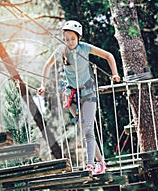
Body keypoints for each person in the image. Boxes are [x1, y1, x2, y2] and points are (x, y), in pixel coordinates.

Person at [37, 20, 120, 174]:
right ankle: (101, 162)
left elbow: (108, 55)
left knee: (88, 130)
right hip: (72, 96)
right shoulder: (61, 50)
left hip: (88, 93)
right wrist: (43, 84)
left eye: (72, 39)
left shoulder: (85, 48)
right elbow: (47, 66)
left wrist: (114, 73)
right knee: (85, 130)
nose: (69, 42)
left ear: (79, 38)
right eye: (66, 39)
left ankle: (90, 164)